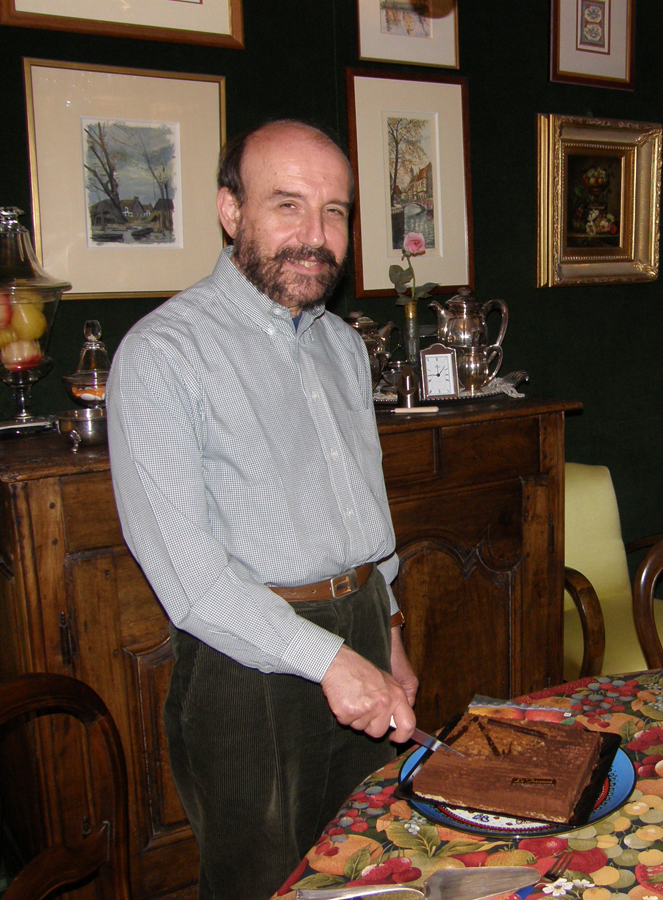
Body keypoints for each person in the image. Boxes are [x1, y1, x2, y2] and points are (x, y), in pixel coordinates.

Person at [107, 119, 419, 899]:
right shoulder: (162, 354)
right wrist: (334, 663)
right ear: (230, 211)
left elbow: (366, 512)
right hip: (247, 670)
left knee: (374, 869)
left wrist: (389, 633)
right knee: (264, 885)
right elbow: (193, 583)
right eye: (288, 205)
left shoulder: (342, 345)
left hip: (362, 634)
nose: (316, 236)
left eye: (335, 211)